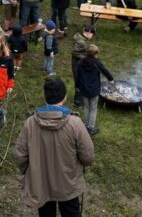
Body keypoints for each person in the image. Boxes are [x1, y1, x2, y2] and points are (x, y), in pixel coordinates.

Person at [15, 77, 94, 217]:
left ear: (45, 96)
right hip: (68, 184)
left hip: (41, 184)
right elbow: (87, 156)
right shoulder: (75, 123)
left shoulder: (30, 123)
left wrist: (31, 173)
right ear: (64, 97)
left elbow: (20, 155)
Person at [76, 44, 114, 135]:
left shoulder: (80, 62)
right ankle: (91, 127)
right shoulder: (97, 63)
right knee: (93, 108)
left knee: (86, 107)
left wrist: (77, 86)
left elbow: (77, 76)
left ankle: (85, 125)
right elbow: (104, 70)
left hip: (84, 89)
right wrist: (111, 79)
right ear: (96, 54)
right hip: (93, 89)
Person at [71, 25, 94, 107]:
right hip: (77, 66)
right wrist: (85, 57)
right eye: (92, 34)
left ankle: (79, 100)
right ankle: (77, 102)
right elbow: (74, 52)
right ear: (88, 33)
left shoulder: (79, 38)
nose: (92, 36)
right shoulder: (82, 42)